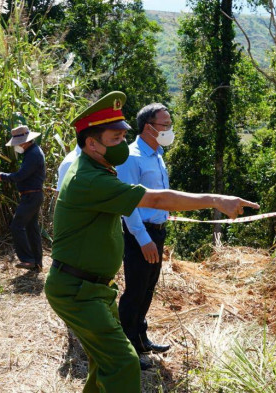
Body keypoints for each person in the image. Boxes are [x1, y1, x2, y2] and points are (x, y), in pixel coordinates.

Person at [45, 91, 259, 393]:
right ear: (92, 143)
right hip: (77, 291)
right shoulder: (90, 179)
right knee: (123, 363)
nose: (122, 145)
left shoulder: (96, 169)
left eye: (123, 137)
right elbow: (155, 198)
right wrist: (215, 200)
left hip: (91, 288)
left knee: (104, 364)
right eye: (115, 139)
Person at [116, 103, 174, 359]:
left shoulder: (157, 154)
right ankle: (125, 349)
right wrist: (143, 239)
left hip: (157, 232)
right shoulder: (131, 157)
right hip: (141, 234)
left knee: (148, 288)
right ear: (148, 127)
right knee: (135, 290)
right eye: (165, 125)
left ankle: (140, 339)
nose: (169, 130)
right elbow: (127, 205)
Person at [0, 126, 46, 271]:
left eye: (18, 143)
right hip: (33, 195)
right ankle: (37, 262)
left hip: (31, 196)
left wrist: (2, 176)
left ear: (24, 142)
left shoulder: (33, 154)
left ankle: (28, 260)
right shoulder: (33, 152)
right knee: (31, 228)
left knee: (17, 225)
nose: (17, 146)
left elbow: (20, 176)